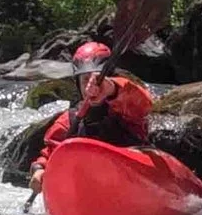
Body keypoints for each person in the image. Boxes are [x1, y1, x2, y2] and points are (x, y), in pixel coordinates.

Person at [28, 41, 154, 192]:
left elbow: (142, 102)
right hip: (92, 186)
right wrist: (39, 169)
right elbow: (51, 152)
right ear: (77, 85)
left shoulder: (125, 105)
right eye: (85, 80)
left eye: (96, 79)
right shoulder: (69, 120)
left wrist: (111, 88)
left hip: (132, 181)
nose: (90, 86)